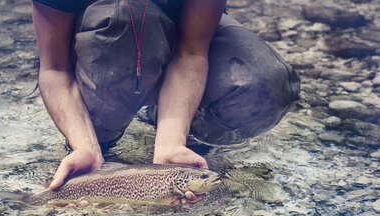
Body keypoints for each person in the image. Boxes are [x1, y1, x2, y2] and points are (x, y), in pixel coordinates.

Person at [31, 0, 300, 202]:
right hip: (109, 40)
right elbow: (54, 69)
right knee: (128, 18)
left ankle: (173, 123)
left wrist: (172, 141)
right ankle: (100, 143)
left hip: (188, 42)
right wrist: (84, 145)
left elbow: (192, 52)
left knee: (266, 83)